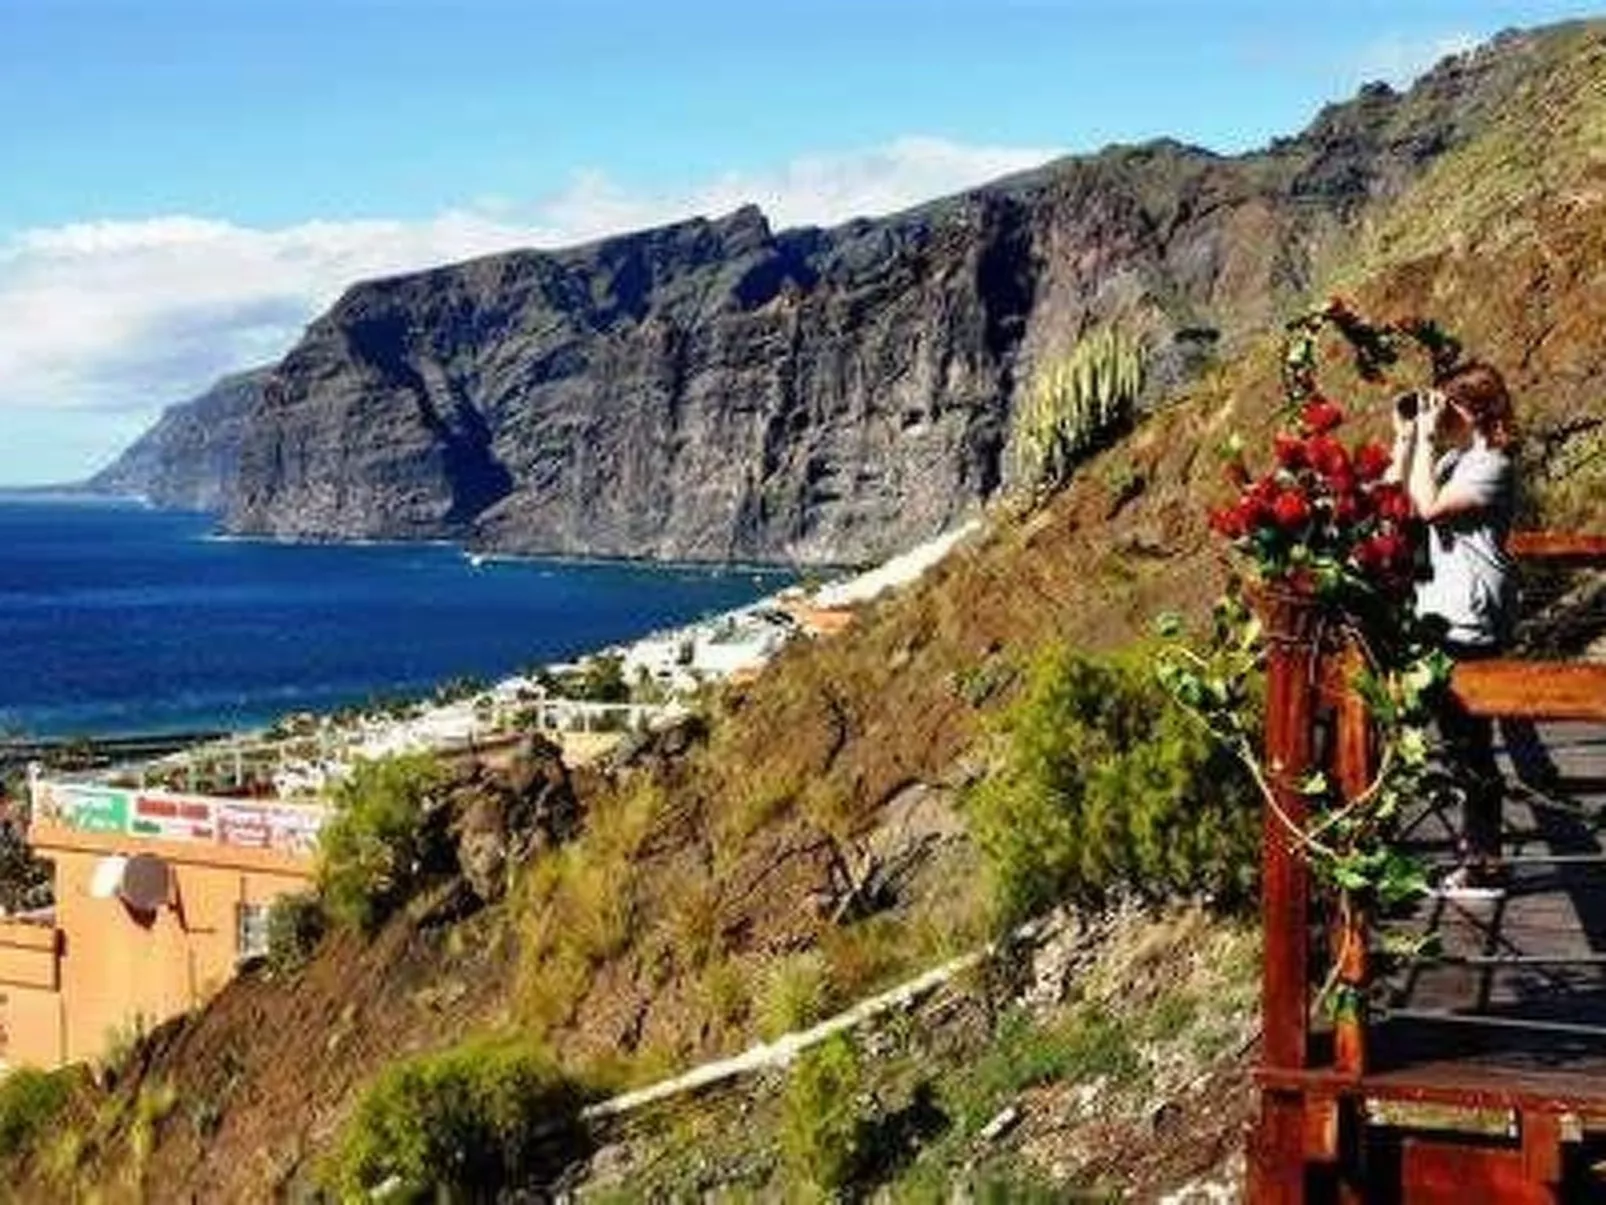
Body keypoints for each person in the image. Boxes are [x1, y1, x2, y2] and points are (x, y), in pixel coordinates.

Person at [1388, 362, 1517, 898]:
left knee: (1469, 746)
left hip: (1470, 617)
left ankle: (1483, 864)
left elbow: (1430, 509)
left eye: (1449, 405)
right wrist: (1406, 438)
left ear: (1476, 410)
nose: (1440, 414)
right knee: (1460, 743)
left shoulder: (1492, 465)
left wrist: (1424, 437)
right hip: (1442, 614)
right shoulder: (1455, 459)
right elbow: (1398, 496)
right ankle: (1479, 857)